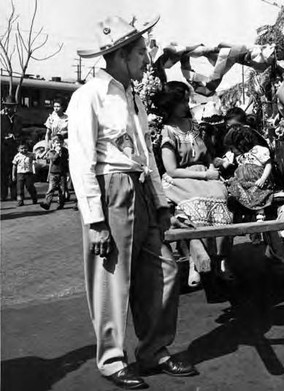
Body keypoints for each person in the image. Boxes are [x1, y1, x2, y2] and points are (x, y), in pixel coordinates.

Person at [67, 15, 197, 390]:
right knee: (112, 279)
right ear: (121, 55)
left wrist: (160, 202)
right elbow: (80, 162)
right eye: (141, 52)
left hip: (140, 188)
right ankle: (111, 359)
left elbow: (146, 155)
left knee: (165, 270)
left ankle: (154, 350)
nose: (146, 58)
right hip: (112, 190)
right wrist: (95, 221)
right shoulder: (88, 96)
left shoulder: (133, 96)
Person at [154, 81, 233, 288]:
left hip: (204, 174)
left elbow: (207, 155)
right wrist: (204, 175)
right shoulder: (168, 132)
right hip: (182, 178)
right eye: (182, 101)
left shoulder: (195, 127)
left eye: (187, 100)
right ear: (172, 104)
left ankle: (222, 258)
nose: (187, 104)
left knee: (221, 197)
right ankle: (193, 260)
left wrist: (212, 168)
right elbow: (171, 169)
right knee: (191, 208)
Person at [224, 124, 275, 220]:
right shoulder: (240, 157)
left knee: (258, 192)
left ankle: (260, 211)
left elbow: (268, 164)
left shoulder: (258, 150)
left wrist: (263, 178)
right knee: (236, 190)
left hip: (257, 180)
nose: (231, 151)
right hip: (244, 182)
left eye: (232, 148)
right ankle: (243, 212)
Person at [40, 134, 69, 210]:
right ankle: (47, 203)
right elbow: (53, 160)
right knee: (51, 188)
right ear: (53, 144)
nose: (58, 144)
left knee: (62, 189)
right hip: (54, 173)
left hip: (62, 173)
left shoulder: (65, 151)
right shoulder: (51, 152)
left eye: (60, 142)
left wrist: (67, 171)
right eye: (56, 142)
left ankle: (61, 203)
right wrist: (57, 153)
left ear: (62, 143)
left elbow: (66, 161)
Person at [1, 96, 21, 201]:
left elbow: (19, 132)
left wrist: (14, 135)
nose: (9, 108)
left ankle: (14, 194)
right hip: (3, 149)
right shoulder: (1, 118)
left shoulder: (17, 118)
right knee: (3, 173)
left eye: (11, 106)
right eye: (7, 106)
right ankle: (2, 195)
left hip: (13, 148)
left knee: (14, 171)